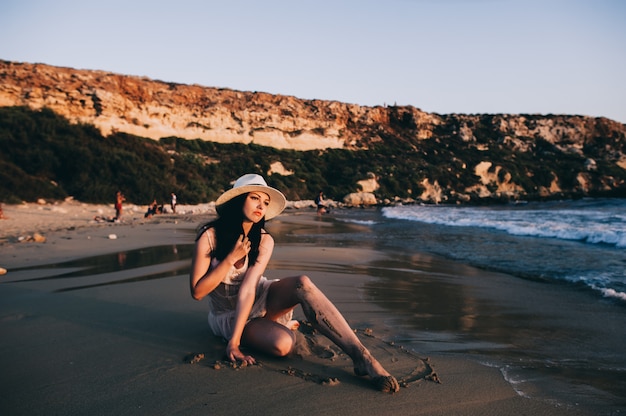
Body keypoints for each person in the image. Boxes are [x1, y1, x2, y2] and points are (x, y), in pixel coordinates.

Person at [190, 174, 399, 393]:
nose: (261, 206)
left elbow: (249, 289)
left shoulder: (264, 240)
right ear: (239, 200)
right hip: (230, 315)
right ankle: (278, 326)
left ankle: (363, 357)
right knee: (283, 345)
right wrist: (231, 260)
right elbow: (197, 292)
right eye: (254, 198)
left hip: (258, 295)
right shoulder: (209, 237)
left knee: (303, 284)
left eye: (266, 202)